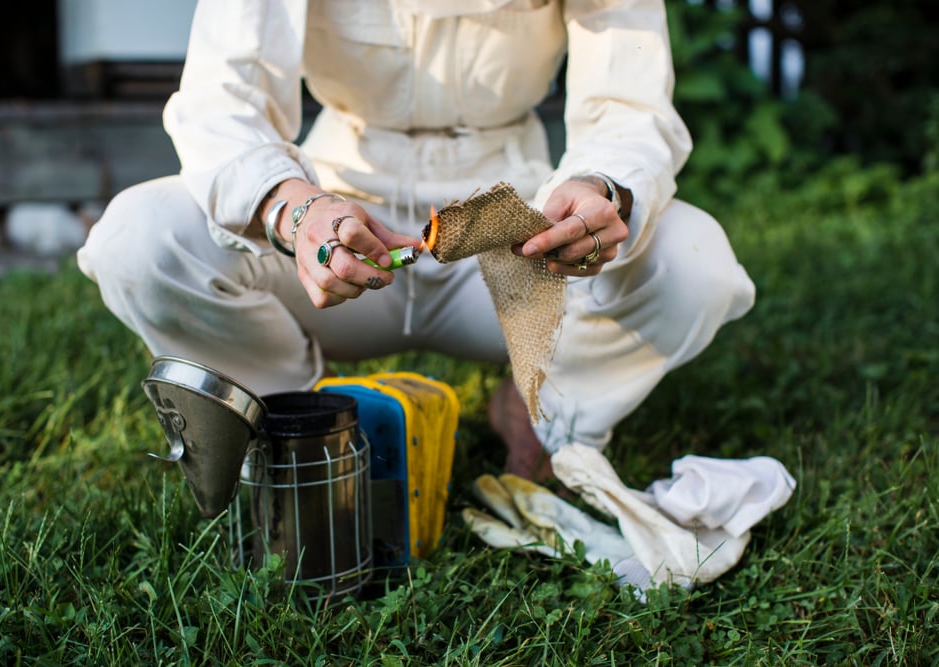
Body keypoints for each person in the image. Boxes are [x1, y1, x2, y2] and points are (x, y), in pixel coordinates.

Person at [77, 0, 755, 481]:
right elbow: (224, 98)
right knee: (139, 238)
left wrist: (603, 188)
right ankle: (298, 421)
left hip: (510, 228)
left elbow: (629, 105)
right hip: (338, 221)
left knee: (693, 263)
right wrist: (294, 207)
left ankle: (550, 416)